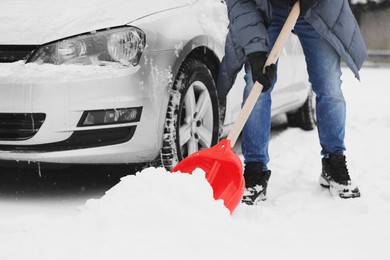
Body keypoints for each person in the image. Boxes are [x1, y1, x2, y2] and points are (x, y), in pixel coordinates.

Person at [217, 0, 367, 205]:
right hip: (268, 7)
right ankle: (255, 170)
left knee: (329, 84)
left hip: (317, 6)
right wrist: (255, 51)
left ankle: (334, 162)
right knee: (256, 83)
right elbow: (241, 3)